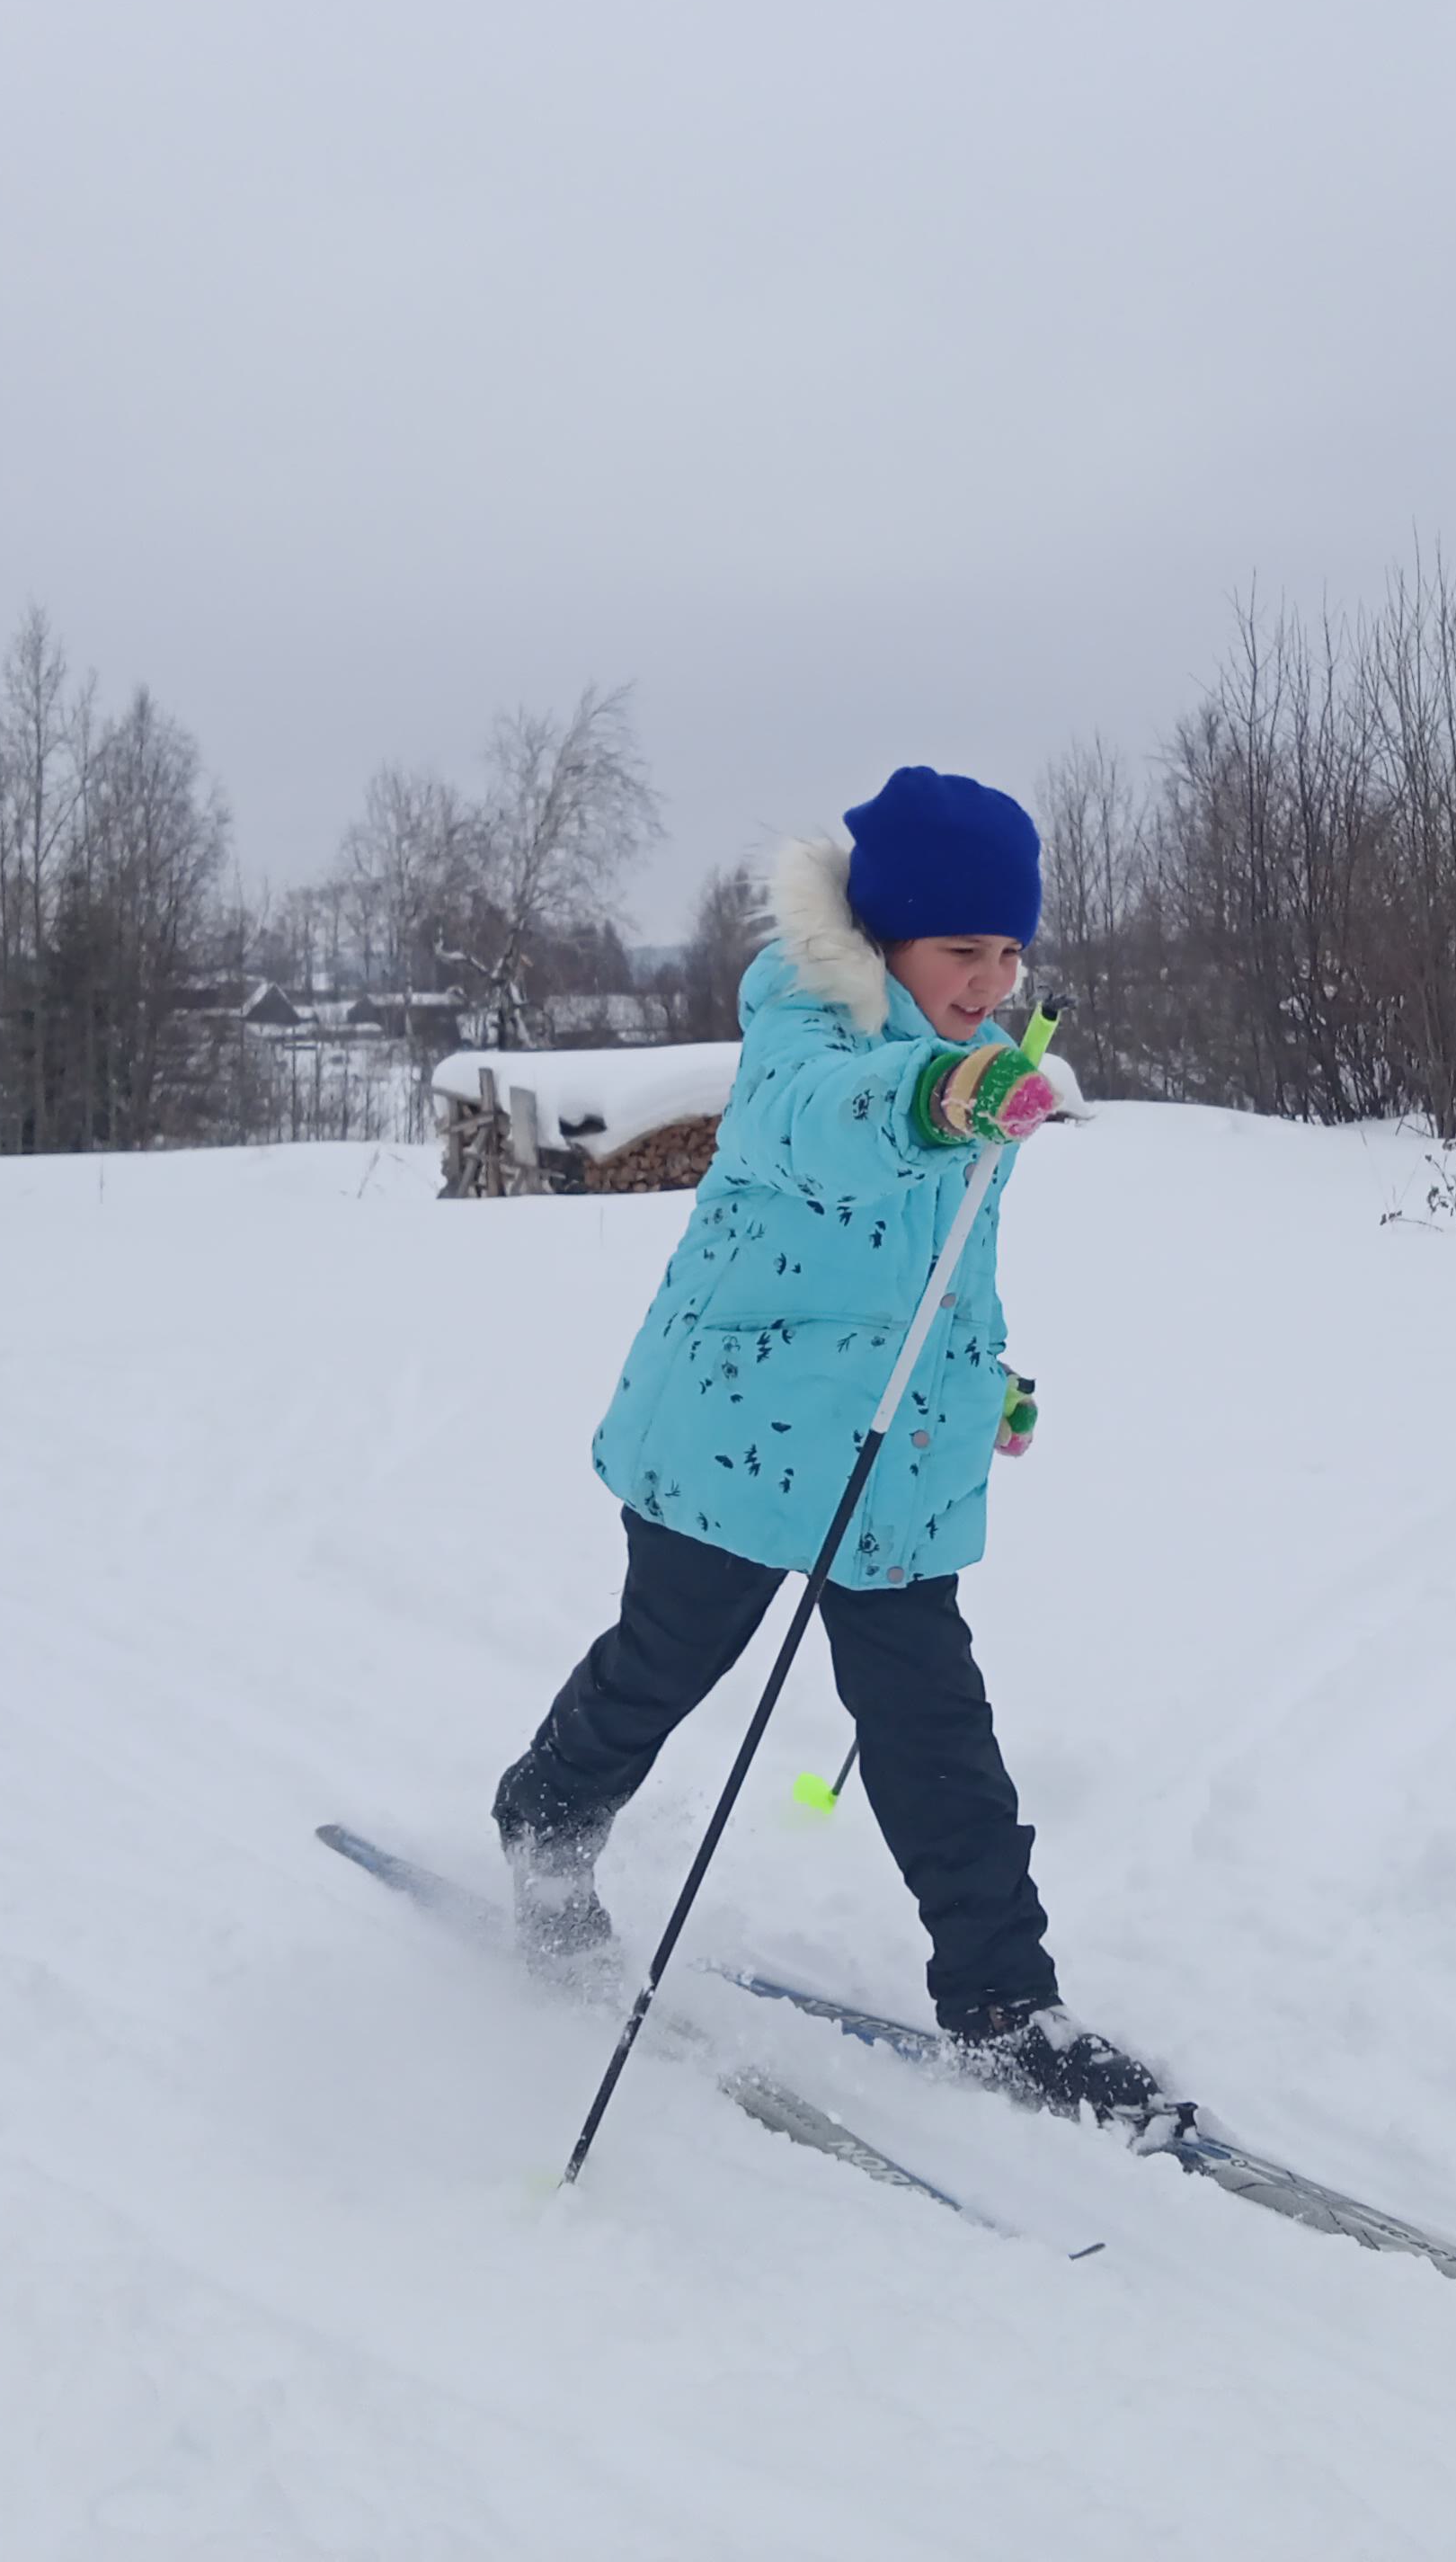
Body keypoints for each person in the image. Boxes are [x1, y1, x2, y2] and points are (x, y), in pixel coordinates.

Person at [489, 765, 1182, 2137]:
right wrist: (944, 1098)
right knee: (665, 1664)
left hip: (891, 1459)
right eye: (960, 950)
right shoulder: (808, 1037)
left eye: (1008, 951)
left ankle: (1005, 2006)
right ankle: (545, 1823)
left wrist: (988, 1385)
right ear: (885, 941)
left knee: (935, 1731)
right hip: (733, 1440)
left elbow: (944, 1268)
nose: (990, 980)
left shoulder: (980, 1075)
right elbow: (825, 1127)